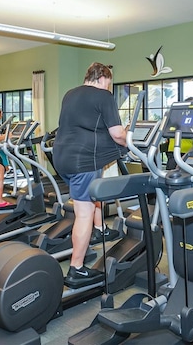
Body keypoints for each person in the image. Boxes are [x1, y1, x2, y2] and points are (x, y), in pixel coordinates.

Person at [53, 62, 127, 288]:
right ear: (104, 78)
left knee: (85, 204)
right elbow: (117, 134)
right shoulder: (104, 97)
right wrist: (131, 143)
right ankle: (76, 269)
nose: (110, 87)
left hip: (61, 157)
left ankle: (95, 232)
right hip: (84, 160)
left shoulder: (70, 94)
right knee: (83, 212)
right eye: (110, 83)